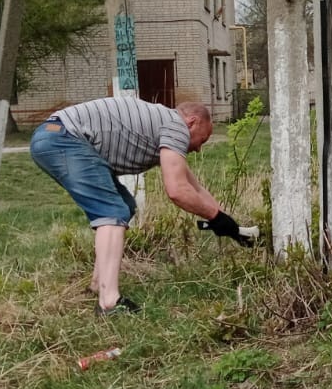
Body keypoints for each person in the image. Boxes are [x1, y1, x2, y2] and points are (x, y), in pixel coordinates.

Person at [30, 97, 250, 316]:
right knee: (112, 211)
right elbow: (177, 191)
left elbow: (194, 188)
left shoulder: (163, 124)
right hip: (64, 138)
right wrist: (214, 217)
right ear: (192, 122)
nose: (199, 149)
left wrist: (229, 223)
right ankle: (109, 302)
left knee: (123, 204)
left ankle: (99, 283)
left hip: (53, 135)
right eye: (203, 140)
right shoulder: (176, 126)